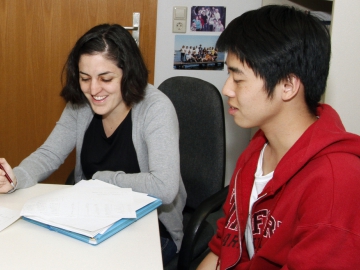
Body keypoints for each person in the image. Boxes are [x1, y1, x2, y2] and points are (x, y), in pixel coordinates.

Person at [0, 23, 186, 266]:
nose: (93, 90)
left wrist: (102, 179)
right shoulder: (81, 102)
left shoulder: (155, 108)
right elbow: (49, 154)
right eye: (85, 78)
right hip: (89, 220)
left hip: (150, 228)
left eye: (105, 78)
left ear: (128, 73)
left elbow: (165, 187)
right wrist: (16, 177)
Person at [197, 5, 360, 269]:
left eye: (238, 79)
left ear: (287, 86)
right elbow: (222, 249)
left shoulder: (336, 182)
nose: (227, 89)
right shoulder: (257, 149)